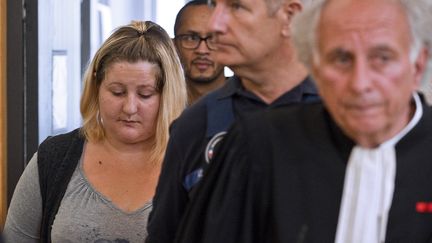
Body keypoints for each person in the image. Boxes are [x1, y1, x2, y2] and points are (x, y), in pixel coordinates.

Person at [174, 0, 432, 242]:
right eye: (341, 59)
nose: (360, 83)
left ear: (417, 66)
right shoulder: (257, 145)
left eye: (382, 58)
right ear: (315, 67)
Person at [146, 0, 319, 242]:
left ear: (288, 17)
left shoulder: (341, 116)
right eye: (215, 6)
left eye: (236, 7)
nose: (216, 24)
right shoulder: (194, 125)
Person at [3, 21, 187, 242]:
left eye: (145, 94)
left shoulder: (192, 163)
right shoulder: (54, 158)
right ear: (96, 88)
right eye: (117, 92)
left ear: (167, 96)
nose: (129, 107)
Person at [173, 0, 226, 105]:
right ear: (174, 45)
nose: (202, 51)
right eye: (191, 38)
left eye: (213, 38)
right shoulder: (159, 106)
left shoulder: (251, 106)